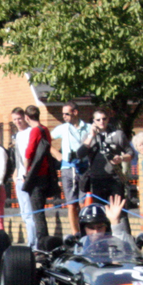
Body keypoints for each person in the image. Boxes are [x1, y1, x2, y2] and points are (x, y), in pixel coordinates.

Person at [77, 108, 133, 231]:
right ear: (93, 121)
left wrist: (121, 158)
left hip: (114, 178)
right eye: (98, 120)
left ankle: (124, 239)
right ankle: (104, 241)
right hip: (96, 179)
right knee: (100, 214)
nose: (101, 122)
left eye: (104, 119)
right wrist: (92, 136)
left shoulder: (117, 134)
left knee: (119, 212)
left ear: (108, 119)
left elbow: (131, 153)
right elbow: (80, 154)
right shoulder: (88, 136)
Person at [51, 101, 92, 235]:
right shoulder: (63, 128)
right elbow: (45, 139)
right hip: (67, 168)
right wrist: (57, 154)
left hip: (84, 168)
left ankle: (85, 231)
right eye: (63, 114)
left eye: (67, 113)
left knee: (83, 203)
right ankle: (75, 234)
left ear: (75, 112)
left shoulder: (88, 127)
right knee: (71, 204)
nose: (64, 116)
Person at [23, 105, 54, 244]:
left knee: (37, 213)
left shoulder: (35, 131)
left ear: (27, 117)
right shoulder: (45, 129)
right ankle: (43, 241)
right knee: (40, 210)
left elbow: (29, 152)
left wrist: (25, 171)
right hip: (46, 174)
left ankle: (42, 243)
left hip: (36, 175)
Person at [10, 107, 36, 248]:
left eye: (19, 118)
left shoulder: (31, 132)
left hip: (29, 177)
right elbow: (18, 158)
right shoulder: (17, 135)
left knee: (30, 212)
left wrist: (26, 173)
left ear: (25, 118)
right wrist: (16, 174)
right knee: (24, 213)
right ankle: (30, 241)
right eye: (14, 119)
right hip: (20, 177)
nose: (17, 122)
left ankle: (33, 243)